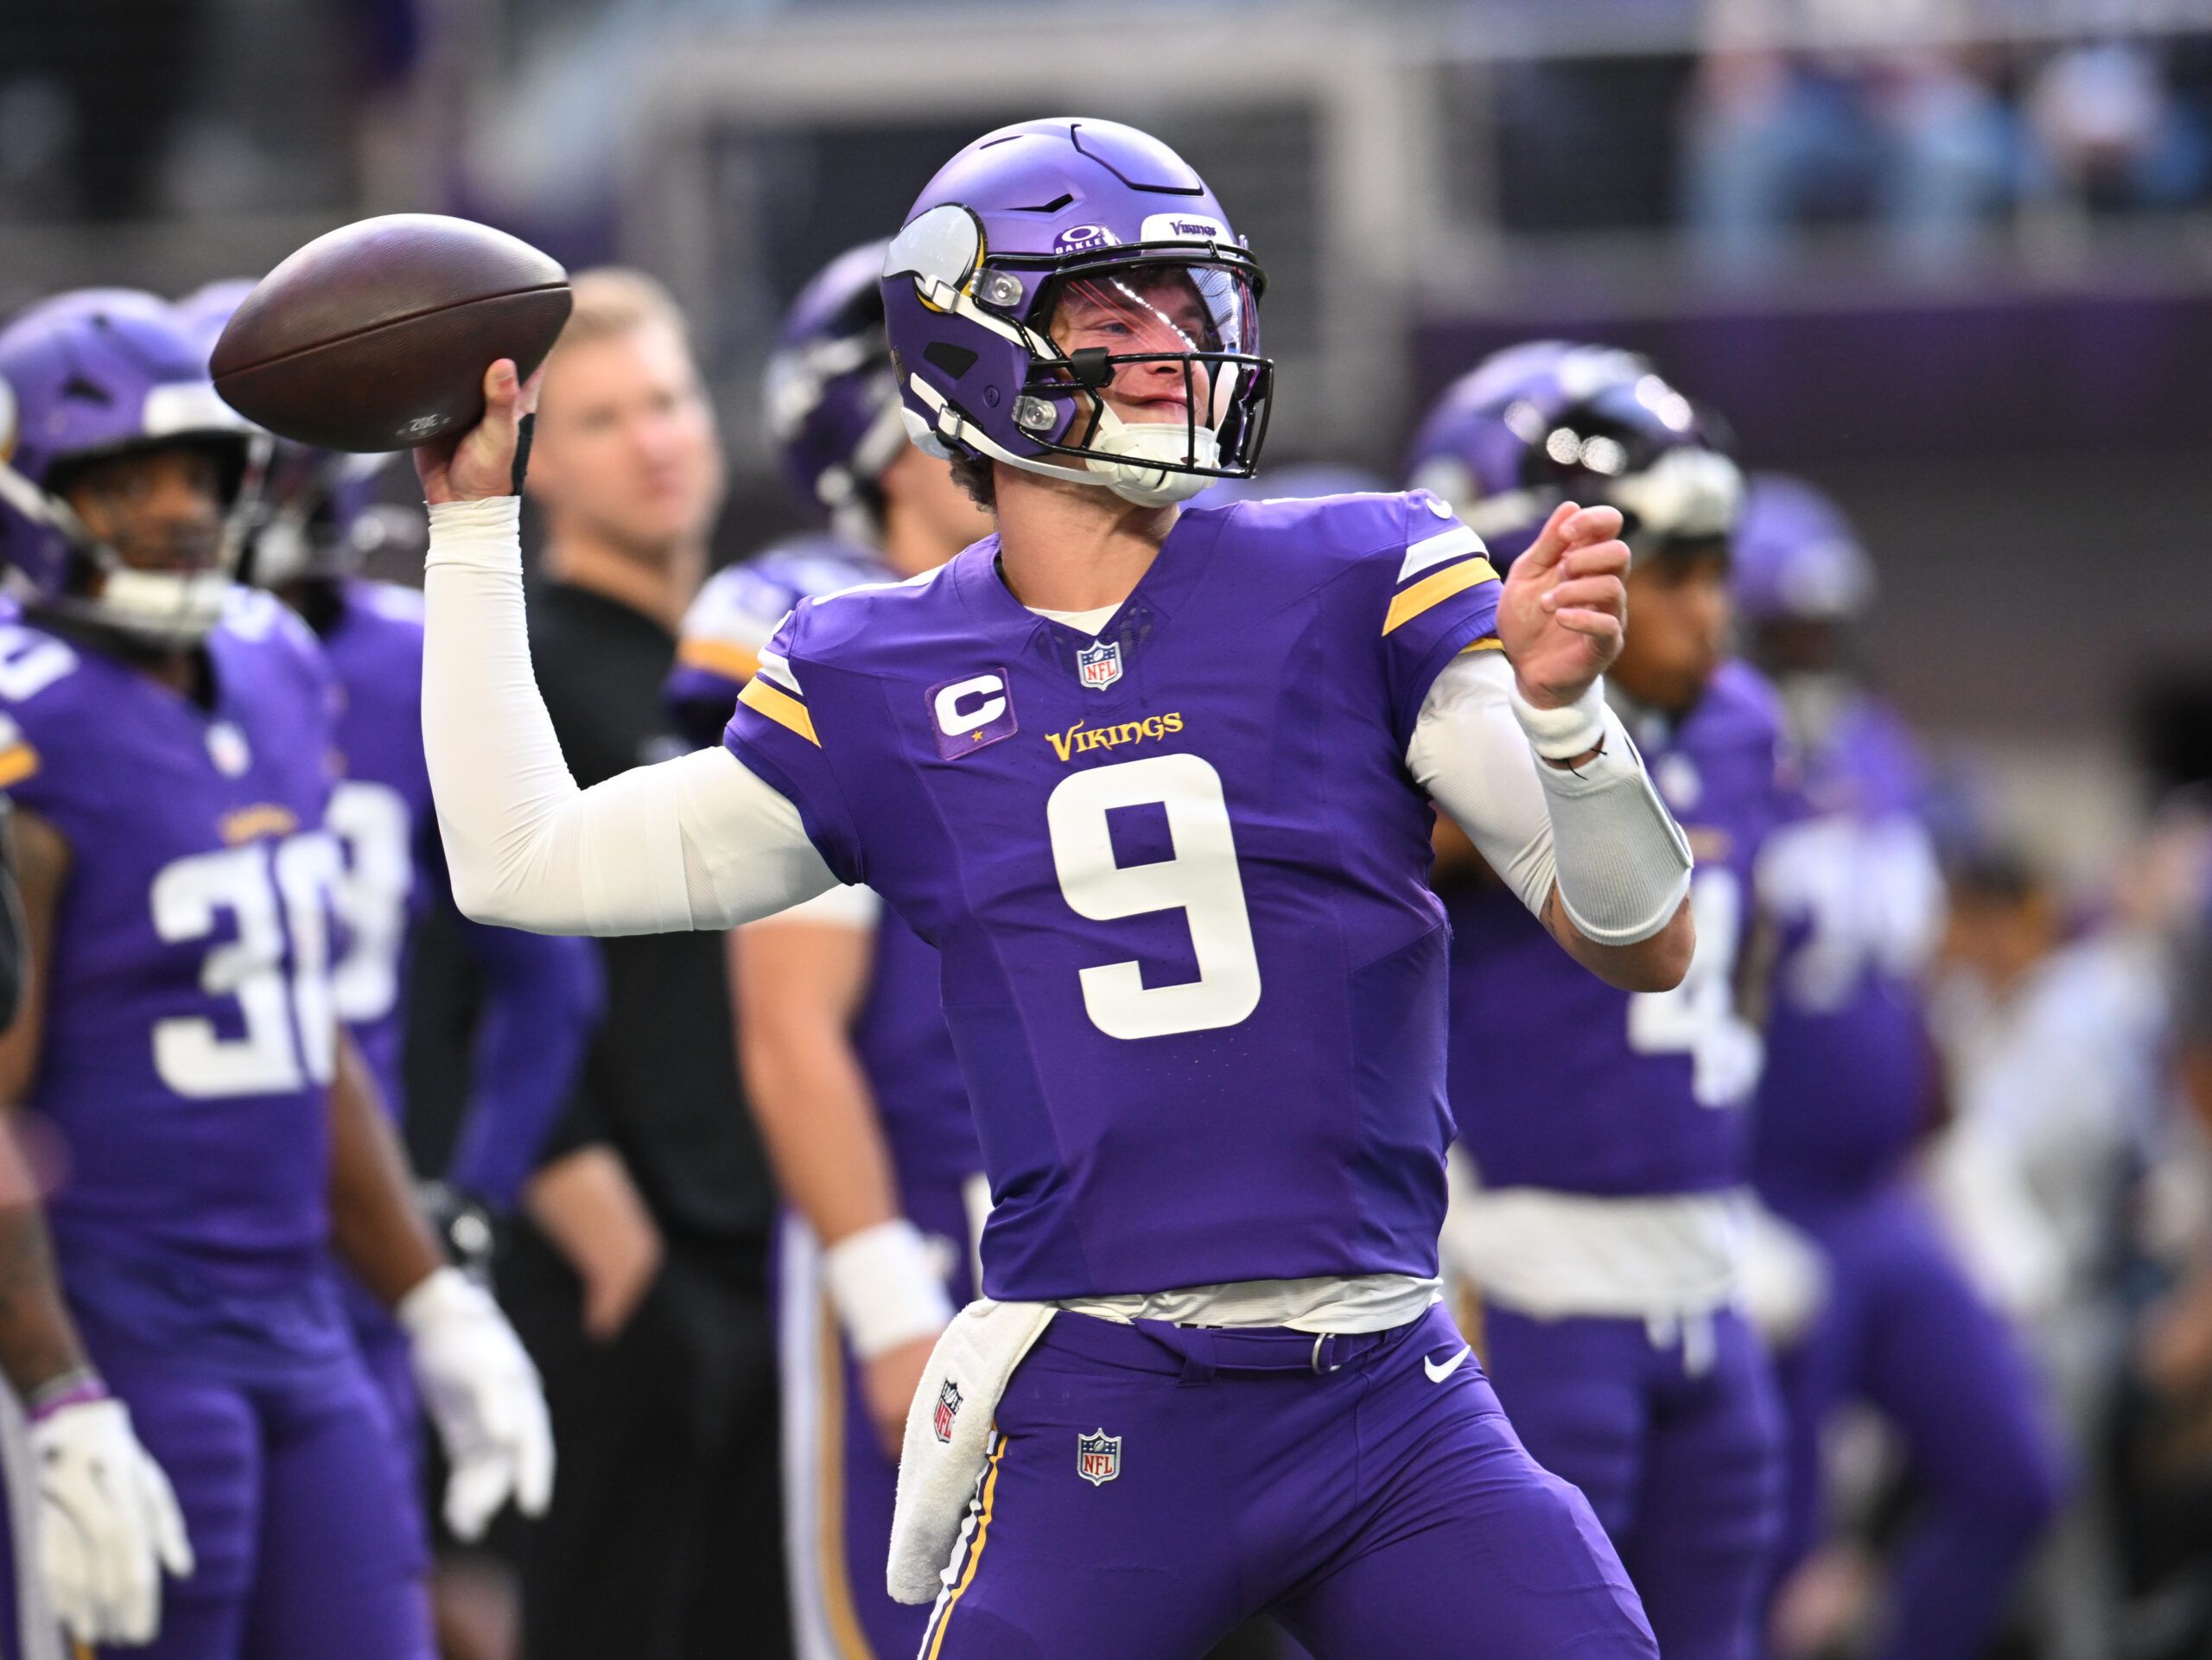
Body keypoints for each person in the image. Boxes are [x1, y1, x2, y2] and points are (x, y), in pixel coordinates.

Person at [414, 118, 1702, 1659]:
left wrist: (1567, 725)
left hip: (1385, 1400)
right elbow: (519, 862)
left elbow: (1641, 937)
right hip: (1107, 1404)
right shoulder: (872, 670)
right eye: (1115, 315)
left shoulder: (1363, 572)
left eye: (1192, 308)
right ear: (973, 350)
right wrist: (471, 527)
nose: (1176, 353)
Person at [0, 289, 550, 1657]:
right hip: (122, 1329)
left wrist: (429, 1299)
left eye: (200, 471)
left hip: (305, 1327)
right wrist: (58, 1391)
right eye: (125, 479)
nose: (177, 509)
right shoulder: (27, 728)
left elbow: (309, 1042)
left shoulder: (273, 663)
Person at [177, 276, 603, 1492]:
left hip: (359, 1229)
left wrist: (470, 1197)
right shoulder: (72, 696)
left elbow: (548, 973)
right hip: (140, 1217)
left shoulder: (406, 656)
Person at [1410, 342, 1788, 1660]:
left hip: (1707, 1272)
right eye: (1669, 571)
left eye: (1713, 566)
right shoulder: (1467, 745)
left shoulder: (1741, 723)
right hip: (1531, 1271)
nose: (1710, 612)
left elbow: (1740, 962)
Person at [665, 240, 995, 1660]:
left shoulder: (1104, 611)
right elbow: (788, 1024)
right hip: (925, 1217)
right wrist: (881, 1297)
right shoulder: (826, 633)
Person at [475, 267, 790, 1660]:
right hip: (619, 1253)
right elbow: (459, 947)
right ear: (540, 465)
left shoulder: (761, 656)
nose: (653, 440)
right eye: (601, 420)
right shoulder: (520, 666)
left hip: (767, 1232)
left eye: (666, 400)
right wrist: (586, 1204)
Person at [1734, 478, 2063, 1660]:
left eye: (1825, 633)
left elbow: (1907, 979)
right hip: (1766, 1200)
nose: (1810, 659)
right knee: (1768, 1555)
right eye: (1784, 636)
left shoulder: (1878, 752)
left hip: (1883, 1196)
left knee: (2018, 1475)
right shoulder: (1708, 766)